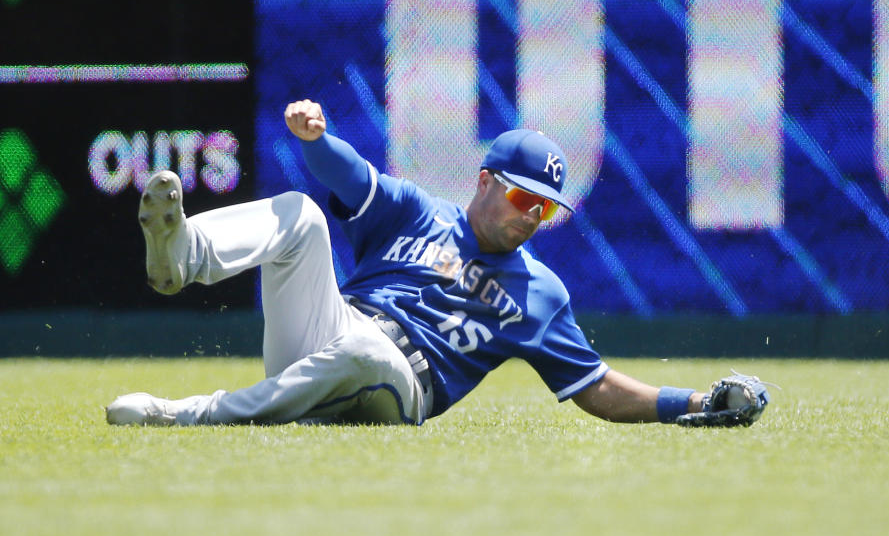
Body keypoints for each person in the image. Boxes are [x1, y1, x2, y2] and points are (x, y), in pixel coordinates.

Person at [106, 99, 769, 428]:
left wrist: (694, 401)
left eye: (544, 209)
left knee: (368, 355)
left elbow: (593, 384)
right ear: (485, 180)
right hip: (323, 332)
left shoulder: (541, 293)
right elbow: (348, 176)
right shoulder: (417, 211)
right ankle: (181, 254)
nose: (530, 216)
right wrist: (318, 138)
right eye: (521, 197)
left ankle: (186, 415)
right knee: (303, 215)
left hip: (399, 383)